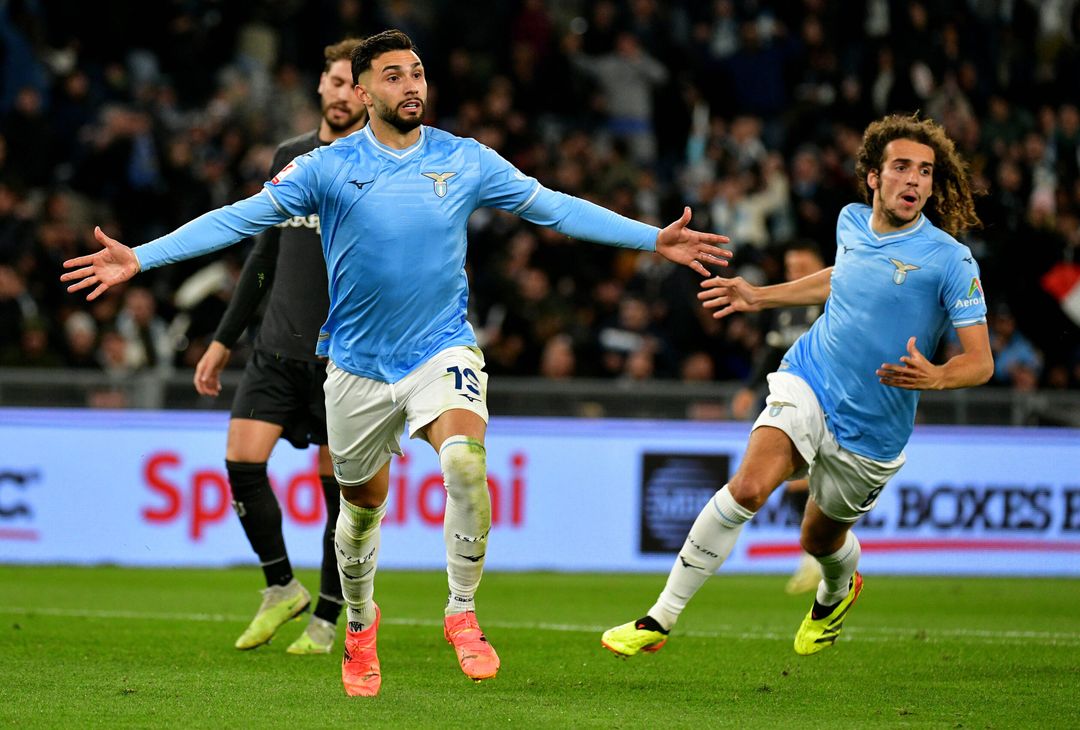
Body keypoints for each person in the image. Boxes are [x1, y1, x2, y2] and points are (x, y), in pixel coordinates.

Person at [61, 30, 731, 697]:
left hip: (440, 349)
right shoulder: (326, 167)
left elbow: (553, 207)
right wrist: (141, 257)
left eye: (417, 73)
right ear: (362, 91)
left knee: (465, 463)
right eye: (393, 76)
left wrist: (652, 239)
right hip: (355, 367)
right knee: (359, 512)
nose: (411, 85)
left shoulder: (464, 158)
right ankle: (358, 624)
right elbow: (240, 219)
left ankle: (461, 612)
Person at [600, 113, 993, 660]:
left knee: (818, 540)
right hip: (812, 376)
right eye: (901, 167)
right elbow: (842, 278)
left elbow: (981, 362)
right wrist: (760, 296)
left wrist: (938, 375)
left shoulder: (950, 259)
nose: (914, 180)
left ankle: (837, 591)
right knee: (748, 488)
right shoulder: (850, 221)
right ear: (874, 177)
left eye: (925, 171)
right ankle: (658, 618)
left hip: (875, 427)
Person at [192, 38, 367, 655]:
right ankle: (280, 587)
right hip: (274, 350)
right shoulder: (291, 157)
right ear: (320, 85)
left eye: (354, 86)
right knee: (242, 464)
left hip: (342, 362)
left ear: (368, 95)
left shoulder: (378, 168)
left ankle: (328, 615)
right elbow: (263, 254)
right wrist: (223, 340)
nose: (341, 95)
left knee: (340, 498)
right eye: (335, 82)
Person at [728, 241, 826, 594]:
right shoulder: (785, 308)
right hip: (791, 398)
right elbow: (771, 351)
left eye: (802, 268)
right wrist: (749, 388)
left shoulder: (835, 301)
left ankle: (820, 558)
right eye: (790, 269)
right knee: (797, 482)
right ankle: (815, 559)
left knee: (814, 482)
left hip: (828, 400)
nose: (794, 275)